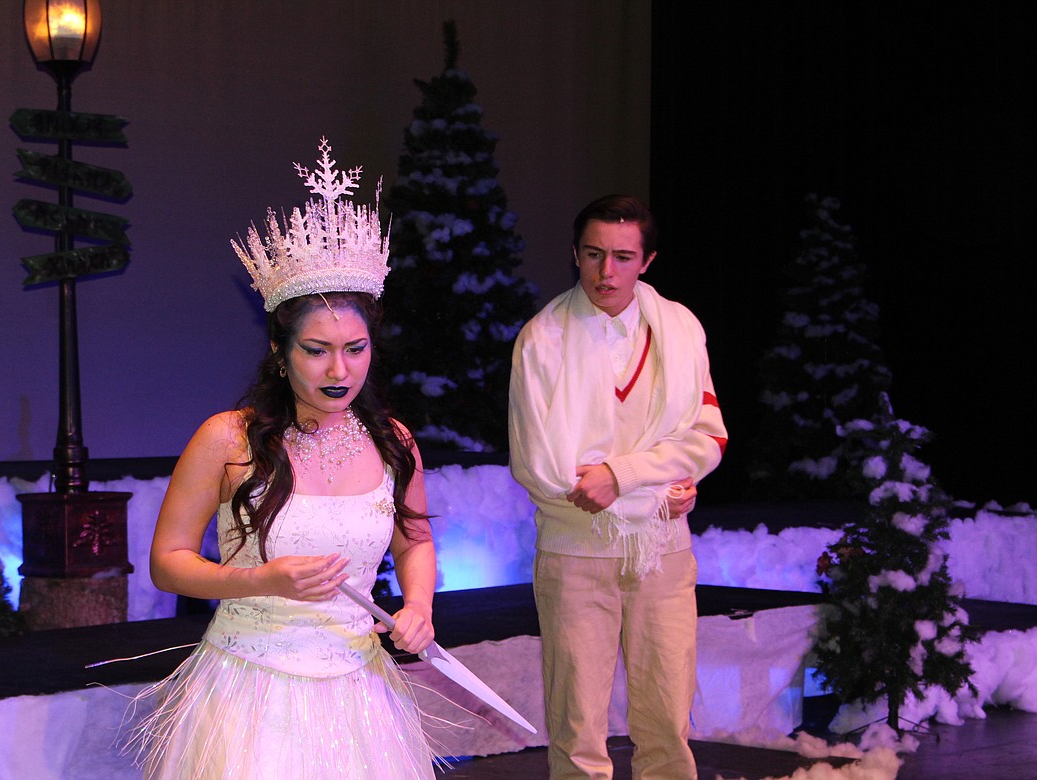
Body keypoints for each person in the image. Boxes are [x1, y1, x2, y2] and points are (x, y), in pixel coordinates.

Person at [132, 138, 438, 779]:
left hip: (357, 688)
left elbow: (414, 539)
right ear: (280, 349)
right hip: (253, 687)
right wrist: (262, 579)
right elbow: (167, 564)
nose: (338, 369)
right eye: (316, 349)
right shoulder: (228, 438)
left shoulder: (395, 441)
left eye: (355, 348)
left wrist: (418, 608)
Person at [508, 194, 728, 780]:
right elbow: (541, 467)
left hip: (663, 551)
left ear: (647, 261)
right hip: (577, 552)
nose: (607, 272)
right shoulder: (543, 339)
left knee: (667, 722)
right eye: (594, 255)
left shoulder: (680, 329)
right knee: (577, 729)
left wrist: (622, 477)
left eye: (623, 257)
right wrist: (658, 487)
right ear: (575, 256)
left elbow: (708, 439)